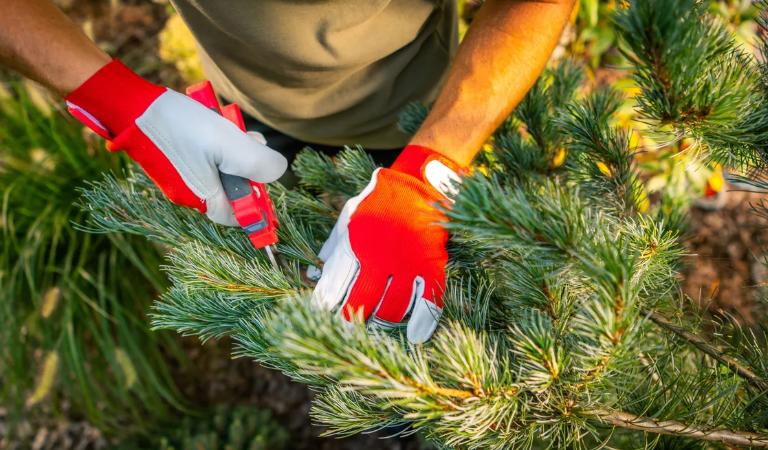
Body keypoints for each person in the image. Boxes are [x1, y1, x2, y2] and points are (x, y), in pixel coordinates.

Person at [0, 0, 575, 343]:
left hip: (421, 118)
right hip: (243, 120)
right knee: (303, 268)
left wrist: (430, 168)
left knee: (421, 306)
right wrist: (121, 102)